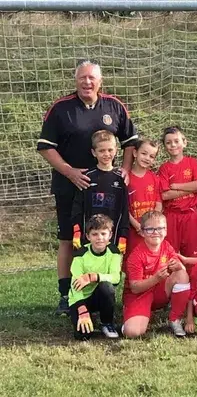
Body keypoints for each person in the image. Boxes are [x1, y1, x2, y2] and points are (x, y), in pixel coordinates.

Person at [37, 59, 138, 315]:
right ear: (76, 80)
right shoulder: (61, 109)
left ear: (100, 81)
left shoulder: (114, 106)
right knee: (68, 240)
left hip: (106, 188)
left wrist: (124, 169)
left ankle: (106, 291)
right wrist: (70, 172)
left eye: (91, 78)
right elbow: (46, 147)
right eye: (82, 77)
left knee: (108, 237)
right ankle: (65, 294)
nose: (87, 82)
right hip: (70, 186)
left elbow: (130, 141)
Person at [122, 211, 191, 338]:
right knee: (132, 333)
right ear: (142, 232)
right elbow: (135, 288)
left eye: (160, 228)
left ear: (166, 230)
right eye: (150, 229)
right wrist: (156, 278)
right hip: (139, 294)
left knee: (181, 274)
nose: (155, 232)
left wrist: (179, 266)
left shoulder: (166, 246)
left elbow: (180, 268)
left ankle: (174, 319)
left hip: (159, 291)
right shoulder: (136, 256)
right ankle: (132, 315)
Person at [71, 130, 129, 253]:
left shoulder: (121, 178)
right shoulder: (87, 177)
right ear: (94, 152)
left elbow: (124, 210)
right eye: (101, 151)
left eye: (110, 150)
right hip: (90, 237)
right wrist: (76, 231)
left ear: (116, 150)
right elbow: (77, 207)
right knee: (88, 270)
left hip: (112, 237)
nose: (106, 154)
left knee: (111, 270)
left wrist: (123, 236)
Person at [69, 214, 122, 340]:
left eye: (103, 234)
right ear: (88, 236)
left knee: (107, 287)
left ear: (110, 235)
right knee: (83, 336)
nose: (100, 238)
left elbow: (116, 278)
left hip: (99, 296)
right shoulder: (80, 254)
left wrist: (93, 276)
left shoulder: (114, 252)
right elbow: (75, 286)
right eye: (95, 234)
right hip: (81, 298)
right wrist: (81, 309)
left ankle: (107, 323)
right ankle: (86, 316)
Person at [158, 126, 197, 258]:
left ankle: (192, 279)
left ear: (184, 142)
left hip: (191, 215)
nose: (173, 145)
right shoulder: (164, 168)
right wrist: (191, 188)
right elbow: (165, 195)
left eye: (176, 141)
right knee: (170, 254)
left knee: (193, 254)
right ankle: (173, 279)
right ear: (165, 147)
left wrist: (177, 186)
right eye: (168, 142)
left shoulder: (192, 162)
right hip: (172, 216)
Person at [126, 138, 162, 260]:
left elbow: (158, 204)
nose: (147, 158)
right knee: (133, 261)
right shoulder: (126, 178)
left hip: (151, 230)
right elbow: (123, 208)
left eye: (151, 156)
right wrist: (137, 225)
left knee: (151, 260)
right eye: (144, 153)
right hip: (133, 230)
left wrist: (153, 225)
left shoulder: (155, 178)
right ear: (135, 153)